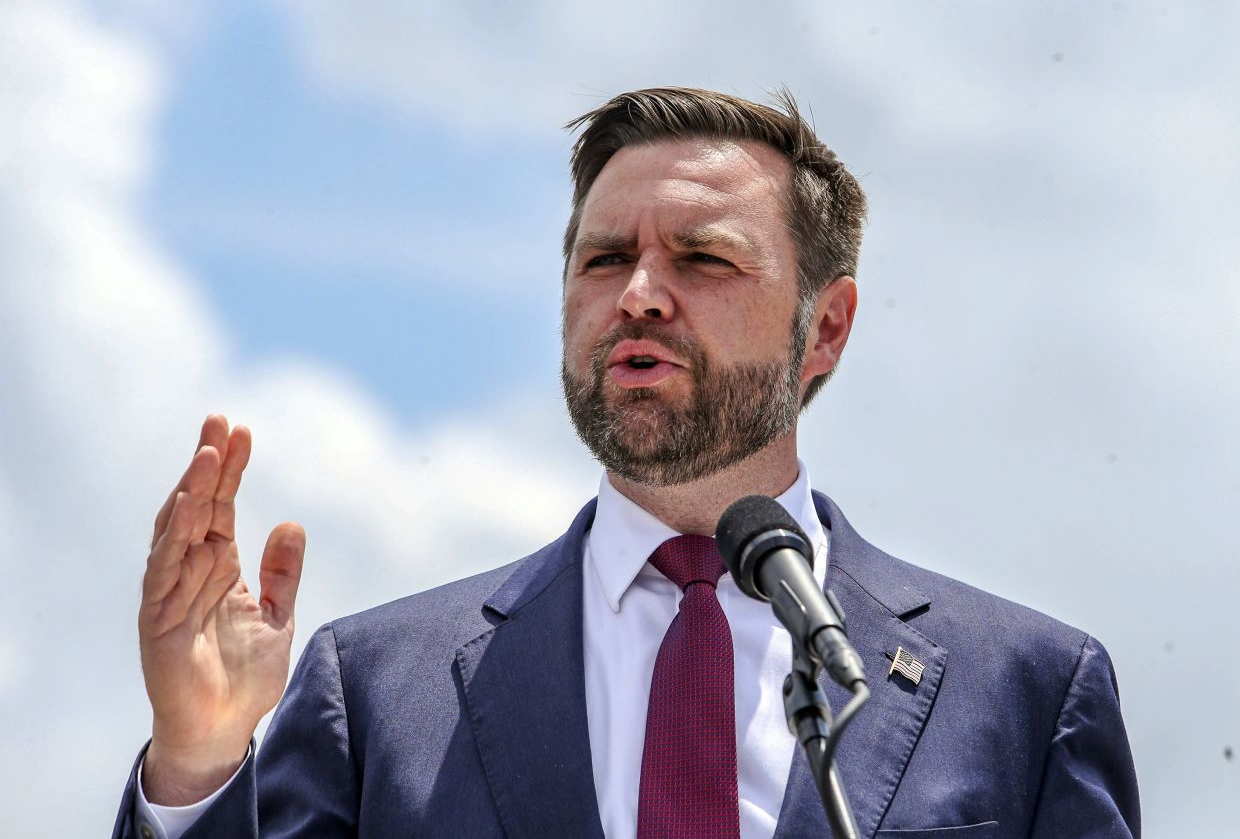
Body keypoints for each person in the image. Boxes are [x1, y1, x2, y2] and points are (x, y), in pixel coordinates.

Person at [114, 88, 1140, 838]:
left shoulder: (1026, 693)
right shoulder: (378, 689)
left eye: (702, 258)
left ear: (822, 328)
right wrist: (198, 765)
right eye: (605, 258)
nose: (640, 293)